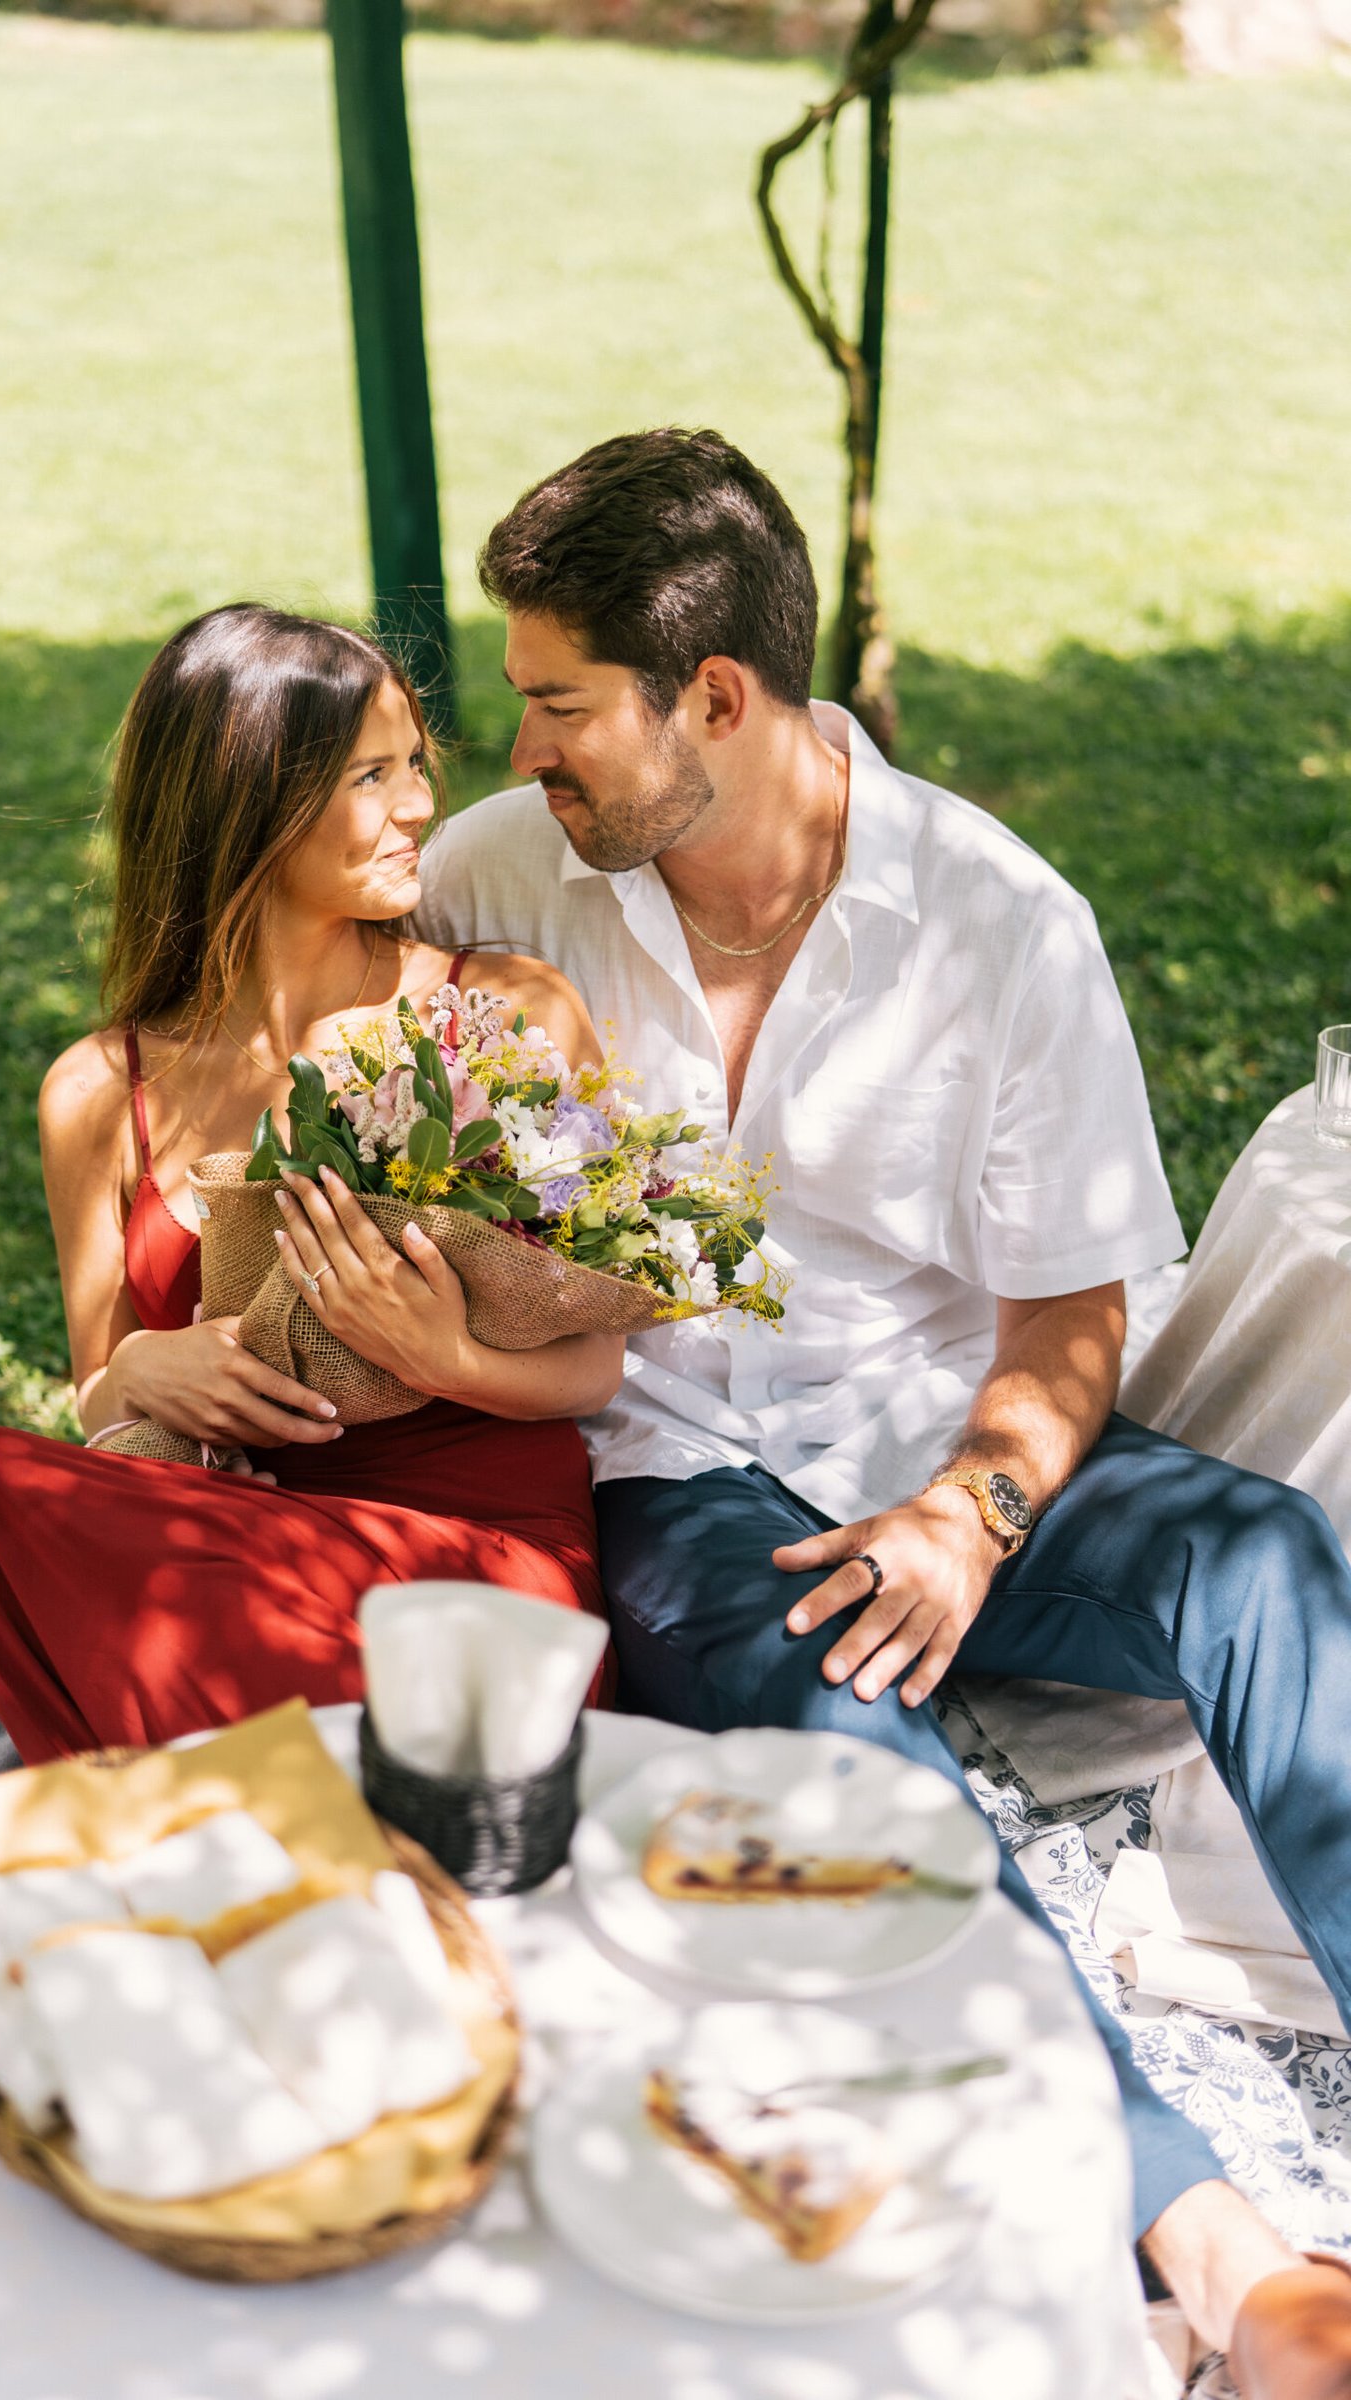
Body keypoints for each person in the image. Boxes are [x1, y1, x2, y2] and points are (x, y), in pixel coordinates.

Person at [416, 428, 1351, 2393]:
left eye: (558, 705)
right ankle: (1217, 2256)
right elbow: (310, 1061)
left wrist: (968, 1515)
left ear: (720, 703)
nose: (524, 751)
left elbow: (1067, 1315)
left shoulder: (997, 923)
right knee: (846, 1739)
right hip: (662, 1459)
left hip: (940, 1433)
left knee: (1256, 1556)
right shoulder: (496, 882)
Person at [0, 606, 621, 1765]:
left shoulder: (505, 1011)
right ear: (250, 801)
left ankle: (228, 1790)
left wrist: (446, 1358)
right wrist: (138, 1369)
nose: (421, 807)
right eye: (372, 776)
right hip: (235, 1547)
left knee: (185, 1628)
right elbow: (96, 1392)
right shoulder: (99, 1092)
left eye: (413, 767)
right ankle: (319, 1788)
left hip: (469, 1564)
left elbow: (594, 1363)